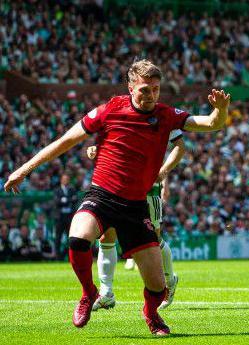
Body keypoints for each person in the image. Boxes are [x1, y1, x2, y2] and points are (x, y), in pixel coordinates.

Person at [4, 59, 230, 336]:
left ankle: (151, 312)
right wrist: (24, 170)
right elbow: (65, 141)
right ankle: (90, 293)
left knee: (158, 287)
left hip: (136, 207)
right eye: (145, 89)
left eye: (156, 90)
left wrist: (221, 110)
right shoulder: (109, 110)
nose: (150, 96)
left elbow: (209, 123)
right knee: (78, 237)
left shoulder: (167, 114)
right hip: (102, 196)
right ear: (131, 86)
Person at [86, 129, 185, 311]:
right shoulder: (121, 115)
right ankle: (106, 293)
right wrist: (96, 149)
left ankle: (170, 280)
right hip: (118, 187)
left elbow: (176, 148)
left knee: (153, 242)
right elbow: (114, 146)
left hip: (147, 189)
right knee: (107, 236)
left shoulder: (161, 117)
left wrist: (165, 176)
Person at [54, 173, 78, 260]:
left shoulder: (72, 189)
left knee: (70, 237)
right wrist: (69, 200)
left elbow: (75, 199)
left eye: (67, 179)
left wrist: (64, 200)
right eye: (64, 179)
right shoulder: (57, 190)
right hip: (60, 217)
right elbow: (57, 202)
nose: (66, 181)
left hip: (69, 217)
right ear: (61, 180)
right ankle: (58, 257)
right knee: (58, 237)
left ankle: (70, 256)